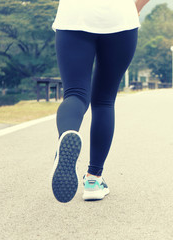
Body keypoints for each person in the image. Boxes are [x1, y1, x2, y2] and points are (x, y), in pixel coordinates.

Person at [51, 0, 150, 203]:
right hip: (120, 17)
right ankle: (94, 180)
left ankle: (65, 139)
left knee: (75, 94)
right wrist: (136, 7)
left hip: (74, 15)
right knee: (104, 100)